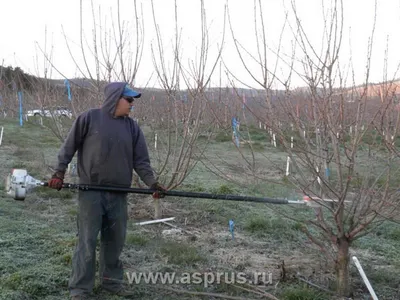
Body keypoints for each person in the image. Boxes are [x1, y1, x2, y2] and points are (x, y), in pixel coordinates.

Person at [47, 82, 167, 299]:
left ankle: (111, 284)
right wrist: (58, 174)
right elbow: (68, 148)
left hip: (119, 195)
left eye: (133, 101)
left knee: (114, 242)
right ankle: (80, 289)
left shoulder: (132, 128)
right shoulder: (88, 118)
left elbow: (141, 161)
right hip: (91, 192)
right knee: (87, 241)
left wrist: (152, 183)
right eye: (129, 100)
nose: (132, 104)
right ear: (115, 98)